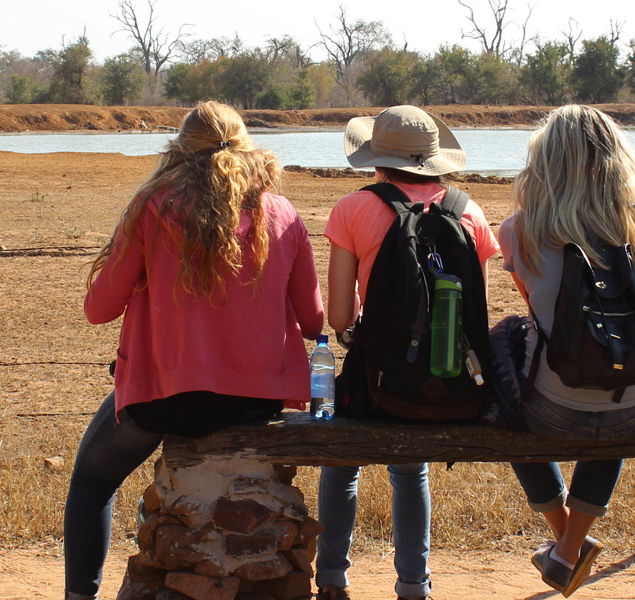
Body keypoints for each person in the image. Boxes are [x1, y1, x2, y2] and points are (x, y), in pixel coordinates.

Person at [63, 101, 324, 600]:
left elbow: (99, 309)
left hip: (169, 401)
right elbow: (314, 320)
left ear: (180, 150)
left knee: (92, 480)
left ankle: (80, 596)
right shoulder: (283, 212)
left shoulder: (154, 206)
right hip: (257, 400)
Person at [317, 105, 499, 600]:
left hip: (377, 384)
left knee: (340, 461)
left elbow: (338, 316)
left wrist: (368, 331)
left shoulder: (352, 209)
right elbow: (473, 315)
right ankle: (414, 585)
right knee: (411, 469)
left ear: (377, 157)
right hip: (450, 387)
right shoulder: (470, 211)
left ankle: (331, 577)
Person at [495, 105, 635, 596]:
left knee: (506, 391)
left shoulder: (518, 230)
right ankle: (568, 548)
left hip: (552, 412)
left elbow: (537, 312)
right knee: (614, 381)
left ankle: (564, 541)